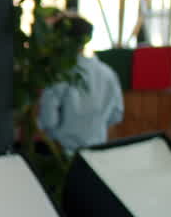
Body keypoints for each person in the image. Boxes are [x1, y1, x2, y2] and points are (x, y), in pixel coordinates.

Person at [37, 14, 124, 153]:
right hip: (97, 150)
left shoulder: (60, 74)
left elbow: (49, 119)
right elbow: (116, 115)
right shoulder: (108, 73)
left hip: (61, 153)